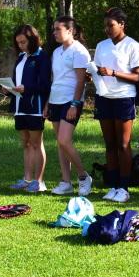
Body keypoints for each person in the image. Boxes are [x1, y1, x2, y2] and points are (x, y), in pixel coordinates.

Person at [93, 7, 139, 203]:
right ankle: (113, 185)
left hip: (124, 98)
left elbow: (138, 76)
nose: (107, 29)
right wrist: (93, 73)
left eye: (111, 25)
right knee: (110, 143)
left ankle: (124, 187)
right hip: (104, 97)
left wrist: (114, 73)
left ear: (122, 24)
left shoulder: (133, 45)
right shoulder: (101, 46)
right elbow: (97, 70)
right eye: (105, 25)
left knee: (123, 144)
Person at [47, 16, 94, 196]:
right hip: (55, 100)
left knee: (64, 140)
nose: (55, 33)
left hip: (70, 101)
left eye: (58, 29)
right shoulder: (56, 52)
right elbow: (54, 79)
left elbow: (81, 81)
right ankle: (66, 182)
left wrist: (75, 104)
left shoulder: (79, 51)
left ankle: (83, 177)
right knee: (60, 144)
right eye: (54, 29)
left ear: (70, 30)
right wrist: (47, 103)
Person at [6, 25, 51, 193]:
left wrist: (27, 88)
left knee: (36, 143)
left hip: (35, 106)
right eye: (18, 43)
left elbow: (45, 85)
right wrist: (9, 89)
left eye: (23, 42)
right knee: (25, 143)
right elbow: (16, 80)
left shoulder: (42, 57)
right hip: (20, 106)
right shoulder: (21, 57)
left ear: (32, 39)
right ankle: (27, 179)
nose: (20, 45)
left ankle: (39, 182)